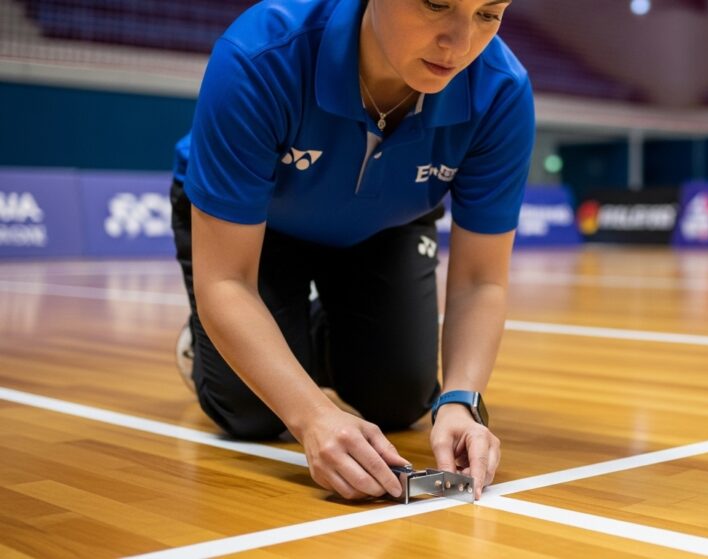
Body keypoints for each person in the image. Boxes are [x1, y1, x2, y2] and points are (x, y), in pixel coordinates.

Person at [169, 0, 533, 501]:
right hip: (258, 228)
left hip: (385, 223)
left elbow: (480, 281)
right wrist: (312, 417)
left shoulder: (501, 90)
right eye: (436, 4)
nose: (460, 43)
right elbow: (226, 281)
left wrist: (460, 403)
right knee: (250, 414)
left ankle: (301, 335)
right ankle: (211, 341)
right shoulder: (259, 55)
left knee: (400, 400)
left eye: (487, 14)